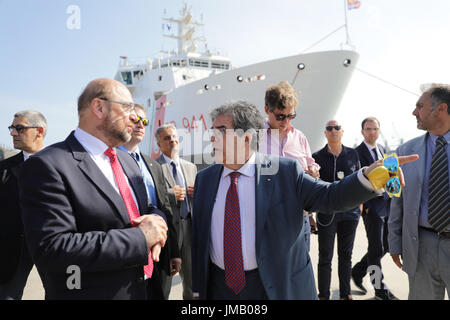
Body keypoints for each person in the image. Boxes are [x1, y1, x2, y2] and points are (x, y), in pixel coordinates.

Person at [191, 101, 418, 300]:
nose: (211, 137)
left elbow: (330, 196)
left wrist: (367, 177)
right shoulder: (204, 180)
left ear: (246, 137)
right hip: (219, 289)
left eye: (221, 130)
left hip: (272, 287)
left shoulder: (284, 172)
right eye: (212, 130)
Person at [18, 78, 168, 299]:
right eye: (127, 107)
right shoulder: (47, 165)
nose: (135, 117)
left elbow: (146, 208)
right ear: (99, 107)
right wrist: (140, 238)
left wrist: (158, 221)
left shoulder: (128, 162)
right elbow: (53, 247)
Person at [389, 83, 450, 300]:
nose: (414, 112)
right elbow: (395, 200)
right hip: (420, 247)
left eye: (420, 106)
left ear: (441, 109)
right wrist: (394, 241)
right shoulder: (403, 152)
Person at [119, 104, 180, 300]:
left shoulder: (152, 164)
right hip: (125, 250)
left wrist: (173, 252)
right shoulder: (108, 161)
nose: (140, 124)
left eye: (144, 121)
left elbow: (166, 209)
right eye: (134, 119)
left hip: (158, 254)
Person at [260, 81, 320, 250]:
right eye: (280, 116)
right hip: (268, 221)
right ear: (267, 110)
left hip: (301, 219)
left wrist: (314, 171)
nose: (286, 121)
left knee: (301, 272)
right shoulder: (255, 139)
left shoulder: (300, 137)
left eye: (291, 116)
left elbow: (311, 164)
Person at [0, 110, 47, 299]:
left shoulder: (63, 165)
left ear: (39, 131)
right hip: (11, 252)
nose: (12, 133)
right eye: (12, 128)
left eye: (19, 128)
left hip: (52, 245)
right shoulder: (3, 169)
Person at [312, 120, 361, 300]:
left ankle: (345, 294)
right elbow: (312, 185)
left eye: (337, 128)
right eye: (329, 128)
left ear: (342, 132)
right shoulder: (317, 156)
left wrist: (359, 207)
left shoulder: (352, 154)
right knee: (325, 256)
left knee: (346, 256)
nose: (333, 131)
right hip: (327, 213)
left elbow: (359, 180)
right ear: (325, 133)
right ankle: (323, 295)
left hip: (350, 213)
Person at [351, 117, 398, 300]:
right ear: (362, 131)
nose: (372, 132)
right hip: (371, 207)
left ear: (379, 130)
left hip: (387, 206)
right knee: (376, 248)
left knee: (385, 246)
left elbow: (392, 179)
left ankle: (357, 271)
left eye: (375, 129)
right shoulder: (357, 153)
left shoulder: (384, 151)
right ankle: (380, 289)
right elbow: (355, 180)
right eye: (368, 129)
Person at [155, 124, 197, 300]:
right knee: (164, 282)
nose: (172, 140)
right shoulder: (154, 167)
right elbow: (152, 197)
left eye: (174, 137)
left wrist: (198, 193)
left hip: (189, 226)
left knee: (192, 280)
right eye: (167, 138)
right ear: (159, 144)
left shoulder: (191, 167)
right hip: (167, 231)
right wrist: (171, 194)